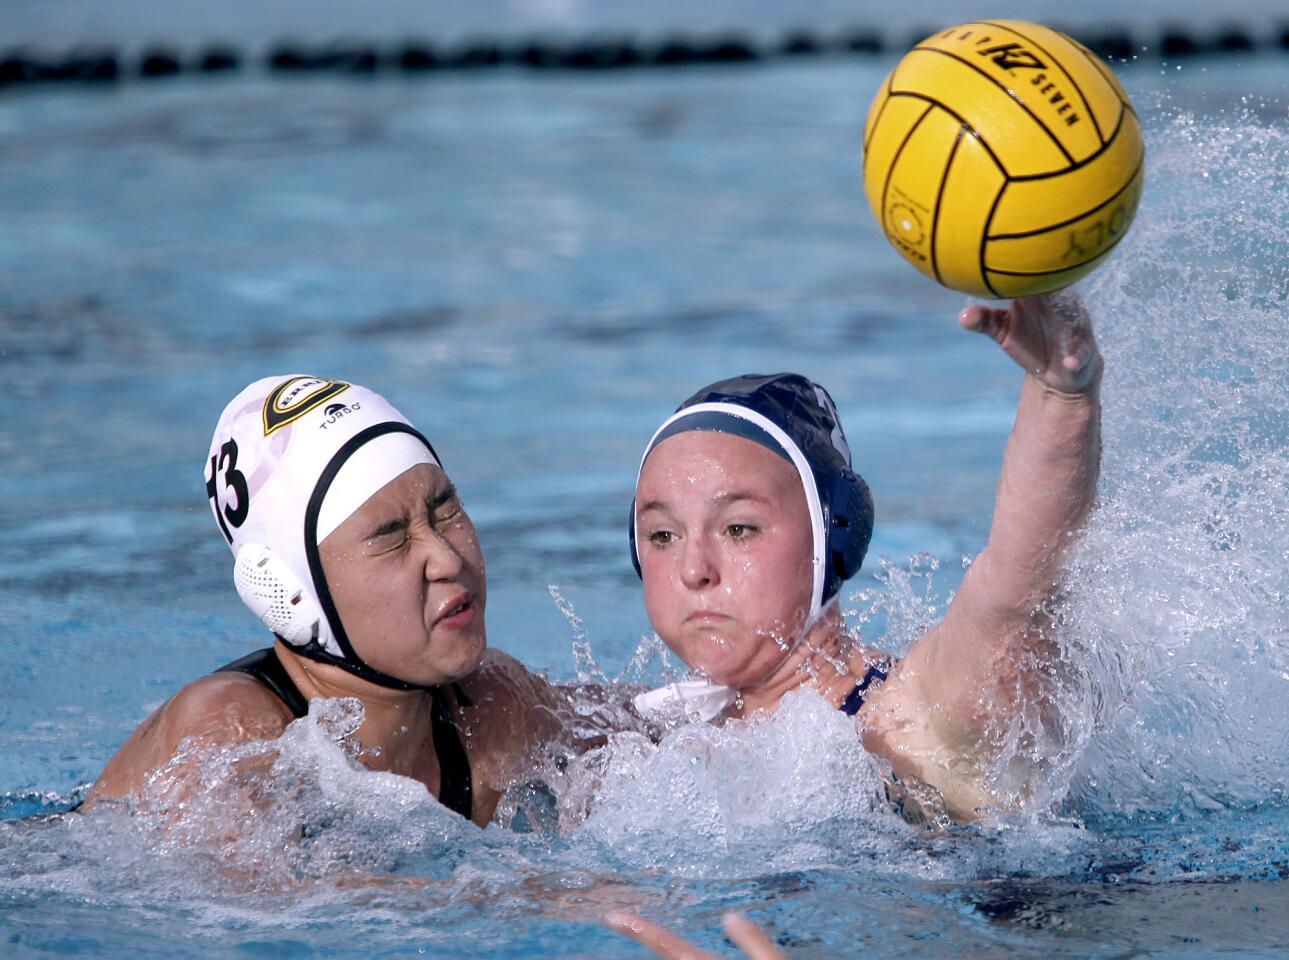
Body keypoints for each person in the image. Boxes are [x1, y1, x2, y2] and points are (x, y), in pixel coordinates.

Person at [629, 294, 1102, 822]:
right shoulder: (651, 732)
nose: (694, 570)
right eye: (663, 536)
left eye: (739, 528)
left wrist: (1062, 398)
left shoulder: (904, 725)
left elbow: (1014, 592)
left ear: (836, 537)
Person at [87, 375, 609, 825]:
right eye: (392, 536)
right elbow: (281, 911)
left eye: (445, 509)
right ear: (291, 592)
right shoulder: (232, 737)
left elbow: (665, 728)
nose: (448, 559)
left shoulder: (494, 709)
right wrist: (546, 898)